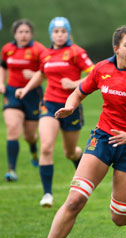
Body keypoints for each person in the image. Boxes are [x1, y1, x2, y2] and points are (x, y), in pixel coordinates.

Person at [26, 25, 126, 238]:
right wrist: (70, 106)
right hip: (102, 139)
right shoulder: (102, 69)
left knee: (118, 217)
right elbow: (78, 93)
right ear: (116, 48)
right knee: (75, 199)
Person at [15, 17, 94, 207]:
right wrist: (25, 89)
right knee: (46, 147)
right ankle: (47, 194)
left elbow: (93, 73)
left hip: (71, 106)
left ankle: (81, 170)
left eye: (63, 31)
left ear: (68, 33)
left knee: (69, 152)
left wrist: (75, 84)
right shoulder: (46, 54)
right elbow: (41, 74)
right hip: (49, 104)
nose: (59, 35)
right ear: (51, 33)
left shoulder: (76, 52)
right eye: (56, 31)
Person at [1, 19, 46, 181]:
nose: (24, 35)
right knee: (13, 128)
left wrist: (34, 75)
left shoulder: (38, 49)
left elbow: (47, 70)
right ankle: (11, 170)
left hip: (33, 94)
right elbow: (3, 66)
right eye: (20, 32)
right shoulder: (7, 49)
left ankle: (33, 148)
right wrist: (1, 82)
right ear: (15, 34)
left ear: (31, 34)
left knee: (29, 135)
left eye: (27, 32)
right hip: (12, 92)